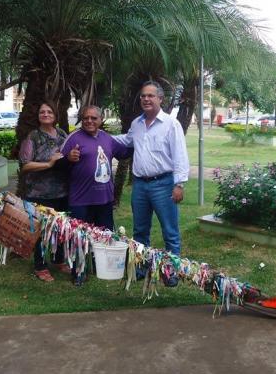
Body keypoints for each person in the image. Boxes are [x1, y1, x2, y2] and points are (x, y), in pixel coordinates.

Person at [113, 81, 189, 256]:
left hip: (163, 185)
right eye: (143, 96)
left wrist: (179, 184)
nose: (146, 99)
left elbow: (180, 154)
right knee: (140, 231)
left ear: (160, 99)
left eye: (150, 96)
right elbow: (127, 140)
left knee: (170, 232)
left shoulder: (171, 124)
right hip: (139, 186)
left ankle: (172, 271)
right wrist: (102, 137)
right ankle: (141, 268)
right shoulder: (136, 124)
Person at [19, 101, 70, 282]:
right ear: (38, 116)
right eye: (42, 112)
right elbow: (25, 165)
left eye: (49, 111)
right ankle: (40, 266)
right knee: (40, 232)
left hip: (62, 191)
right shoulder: (33, 137)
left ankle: (59, 259)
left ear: (55, 115)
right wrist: (48, 164)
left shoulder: (63, 134)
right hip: (39, 193)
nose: (46, 114)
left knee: (60, 228)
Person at [62, 105, 130, 229]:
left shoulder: (107, 138)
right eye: (86, 118)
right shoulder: (73, 138)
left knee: (105, 241)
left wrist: (142, 142)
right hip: (81, 201)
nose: (89, 121)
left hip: (105, 200)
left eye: (93, 118)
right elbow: (57, 164)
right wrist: (68, 158)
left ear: (101, 119)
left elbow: (124, 153)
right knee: (80, 242)